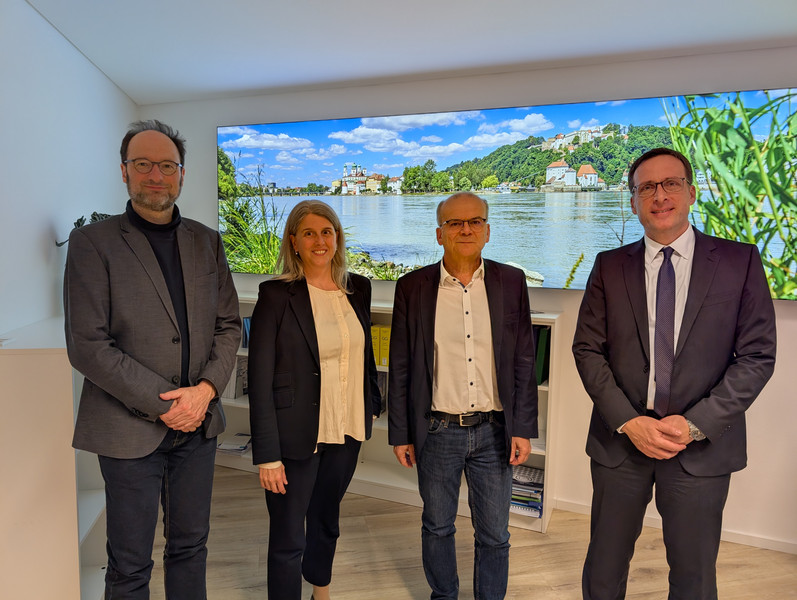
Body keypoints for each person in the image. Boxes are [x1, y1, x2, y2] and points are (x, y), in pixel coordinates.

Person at [572, 147, 777, 600]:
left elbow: (758, 356)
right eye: (646, 187)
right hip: (620, 443)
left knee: (693, 576)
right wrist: (628, 420)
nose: (659, 195)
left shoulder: (739, 262)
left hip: (698, 448)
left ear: (691, 193)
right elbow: (587, 349)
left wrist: (693, 424)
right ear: (632, 202)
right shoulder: (609, 265)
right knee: (604, 569)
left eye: (670, 184)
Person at [63, 119, 242, 598]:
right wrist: (167, 404)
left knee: (190, 547)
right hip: (128, 431)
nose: (155, 175)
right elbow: (88, 344)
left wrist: (203, 393)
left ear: (182, 174)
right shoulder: (92, 243)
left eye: (167, 165)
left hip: (199, 425)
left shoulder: (208, 241)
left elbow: (229, 326)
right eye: (143, 164)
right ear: (124, 171)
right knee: (128, 563)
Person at [387, 192, 538, 599]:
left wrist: (523, 428)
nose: (465, 229)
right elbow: (400, 365)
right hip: (437, 432)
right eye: (454, 223)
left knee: (495, 533)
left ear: (487, 231)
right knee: (437, 525)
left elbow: (524, 359)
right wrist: (400, 432)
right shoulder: (412, 287)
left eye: (474, 221)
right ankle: (444, 595)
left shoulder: (510, 281)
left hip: (495, 431)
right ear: (440, 234)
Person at [247, 200, 382, 600]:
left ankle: (320, 589)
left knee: (326, 520)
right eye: (309, 233)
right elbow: (259, 377)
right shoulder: (275, 294)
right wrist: (267, 455)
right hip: (295, 436)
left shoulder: (359, 288)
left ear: (337, 238)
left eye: (327, 231)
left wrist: (372, 401)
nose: (320, 240)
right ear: (294, 241)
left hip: (348, 428)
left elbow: (364, 355)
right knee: (288, 533)